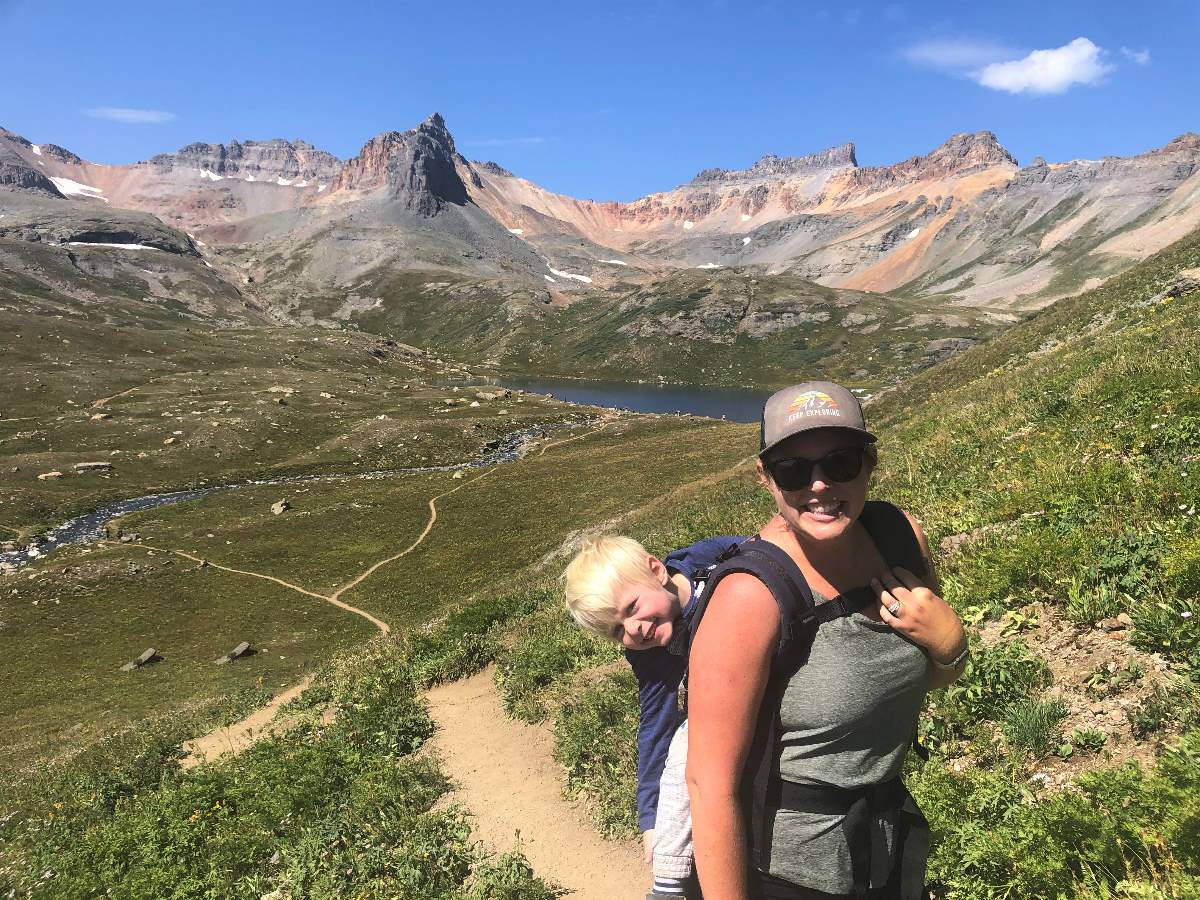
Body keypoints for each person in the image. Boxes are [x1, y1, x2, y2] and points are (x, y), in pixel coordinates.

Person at [685, 381, 969, 900]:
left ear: (869, 462)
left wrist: (951, 646)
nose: (818, 485)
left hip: (886, 847)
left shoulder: (898, 538)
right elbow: (709, 785)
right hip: (789, 875)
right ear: (765, 479)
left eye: (840, 463)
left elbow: (909, 683)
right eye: (793, 470)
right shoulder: (750, 597)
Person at [564, 532, 741, 899]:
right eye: (617, 631)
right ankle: (668, 882)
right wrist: (650, 817)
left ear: (658, 571)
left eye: (630, 608)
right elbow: (655, 724)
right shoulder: (650, 654)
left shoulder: (707, 562)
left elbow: (758, 544)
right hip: (722, 700)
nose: (633, 630)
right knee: (681, 746)